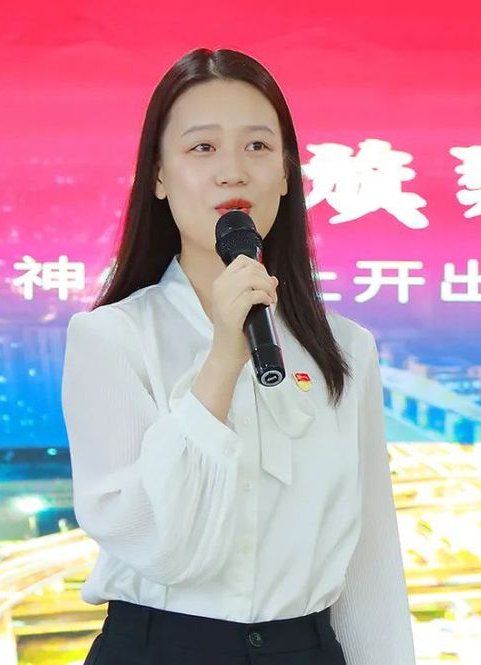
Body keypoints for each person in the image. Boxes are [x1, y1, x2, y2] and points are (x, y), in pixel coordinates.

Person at [60, 48, 415, 665]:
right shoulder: (111, 337)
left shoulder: (345, 349)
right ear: (159, 177)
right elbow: (153, 539)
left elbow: (369, 558)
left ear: (286, 174)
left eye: (257, 146)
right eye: (203, 148)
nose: (233, 171)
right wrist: (223, 356)